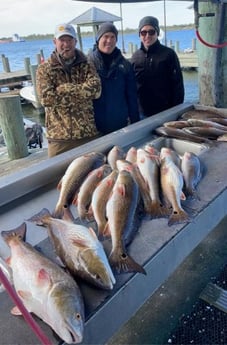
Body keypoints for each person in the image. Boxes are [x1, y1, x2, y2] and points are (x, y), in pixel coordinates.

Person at [36, 23, 102, 157]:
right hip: (59, 139)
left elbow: (96, 90)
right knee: (56, 177)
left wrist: (66, 88)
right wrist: (82, 92)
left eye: (69, 40)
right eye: (62, 40)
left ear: (75, 41)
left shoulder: (87, 64)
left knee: (95, 173)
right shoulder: (44, 69)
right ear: (55, 42)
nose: (66, 44)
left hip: (87, 134)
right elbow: (47, 99)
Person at [88, 22, 140, 135]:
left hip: (120, 124)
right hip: (94, 128)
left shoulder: (125, 65)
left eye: (113, 37)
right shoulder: (88, 64)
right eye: (105, 36)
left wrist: (135, 123)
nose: (109, 40)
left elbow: (132, 97)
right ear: (98, 39)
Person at [131, 16, 185, 118]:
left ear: (157, 33)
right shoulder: (135, 57)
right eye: (143, 32)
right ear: (139, 34)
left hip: (166, 111)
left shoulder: (169, 54)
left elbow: (178, 85)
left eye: (151, 32)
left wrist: (176, 110)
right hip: (142, 113)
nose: (147, 35)